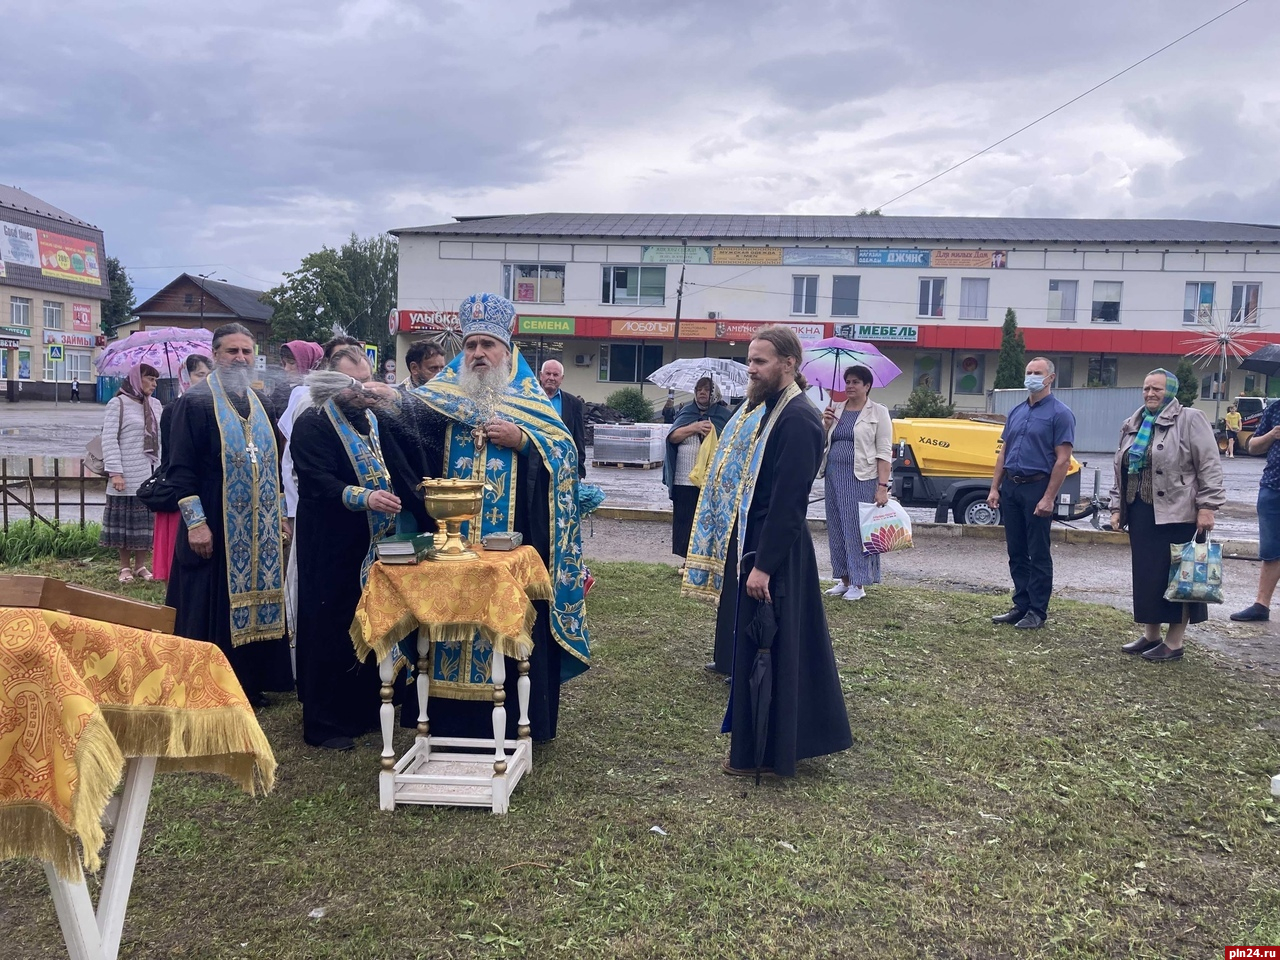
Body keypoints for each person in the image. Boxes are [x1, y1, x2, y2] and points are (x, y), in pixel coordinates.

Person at [404, 293, 590, 742]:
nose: (479, 353)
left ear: (508, 351)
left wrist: (524, 441)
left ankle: (515, 727)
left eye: (488, 344)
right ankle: (448, 723)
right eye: (470, 345)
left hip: (513, 549)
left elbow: (565, 457)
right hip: (453, 549)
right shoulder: (439, 402)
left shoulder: (530, 401)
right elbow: (407, 446)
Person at [684, 325, 851, 778]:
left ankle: (769, 754)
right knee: (766, 650)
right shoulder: (773, 409)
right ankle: (763, 747)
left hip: (776, 556)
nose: (750, 370)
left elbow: (789, 504)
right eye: (749, 360)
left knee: (774, 651)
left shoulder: (797, 418)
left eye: (760, 362)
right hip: (761, 550)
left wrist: (763, 567)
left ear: (789, 364)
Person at [291, 348, 435, 750]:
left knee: (374, 622)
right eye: (352, 385)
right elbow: (316, 479)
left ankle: (367, 709)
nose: (361, 392)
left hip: (375, 543)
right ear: (331, 383)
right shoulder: (313, 422)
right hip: (332, 543)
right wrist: (363, 498)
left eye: (365, 381)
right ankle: (326, 722)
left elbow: (400, 460)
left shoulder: (370, 417)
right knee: (332, 625)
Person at [164, 322, 293, 706]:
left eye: (246, 352)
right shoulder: (196, 402)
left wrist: (282, 513)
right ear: (215, 355)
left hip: (261, 525)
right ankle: (211, 684)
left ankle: (251, 682)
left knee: (260, 598)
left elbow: (274, 465)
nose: (240, 358)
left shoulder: (262, 402)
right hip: (217, 523)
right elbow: (180, 470)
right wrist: (196, 524)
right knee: (213, 602)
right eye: (231, 351)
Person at [1109, 369, 1224, 662]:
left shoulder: (1190, 419)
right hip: (1141, 511)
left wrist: (1208, 506)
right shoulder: (1133, 423)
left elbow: (1209, 464)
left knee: (1178, 578)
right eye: (1146, 388)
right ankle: (1151, 635)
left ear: (1171, 391)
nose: (1150, 393)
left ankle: (1174, 643)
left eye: (1157, 389)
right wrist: (1116, 507)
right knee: (1148, 576)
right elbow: (1119, 470)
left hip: (1178, 512)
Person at [986, 357, 1076, 630]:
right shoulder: (1016, 411)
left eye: (1038, 373)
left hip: (1038, 486)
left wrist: (1048, 497)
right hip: (1012, 486)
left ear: (1050, 378)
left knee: (1038, 552)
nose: (1032, 377)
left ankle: (1037, 610)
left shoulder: (1060, 414)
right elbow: (1004, 451)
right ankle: (1021, 604)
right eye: (1029, 372)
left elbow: (1063, 460)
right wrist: (994, 487)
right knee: (1016, 550)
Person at [819, 364, 893, 601]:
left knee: (856, 530)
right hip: (833, 477)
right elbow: (823, 443)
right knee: (837, 527)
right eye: (847, 382)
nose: (849, 386)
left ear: (867, 386)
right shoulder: (836, 409)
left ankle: (859, 582)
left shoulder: (878, 412)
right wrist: (825, 425)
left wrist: (883, 486)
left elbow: (883, 451)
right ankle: (844, 579)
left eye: (855, 382)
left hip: (861, 478)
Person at [100, 362, 164, 583]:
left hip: (150, 473)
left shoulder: (155, 405)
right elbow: (109, 439)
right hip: (126, 473)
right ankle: (124, 567)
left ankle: (141, 566)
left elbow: (162, 437)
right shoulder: (118, 404)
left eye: (156, 380)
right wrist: (115, 472)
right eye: (150, 379)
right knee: (126, 523)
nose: (154, 384)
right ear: (137, 379)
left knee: (145, 524)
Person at [152, 354, 212, 582]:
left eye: (208, 375)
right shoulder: (174, 409)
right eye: (199, 375)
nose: (204, 380)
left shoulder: (211, 407)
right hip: (179, 482)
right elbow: (174, 451)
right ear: (186, 377)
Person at [663, 376, 731, 560]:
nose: (702, 392)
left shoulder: (724, 415)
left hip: (711, 478)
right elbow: (673, 437)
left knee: (708, 519)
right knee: (685, 518)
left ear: (714, 393)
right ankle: (687, 560)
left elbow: (731, 441)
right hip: (684, 477)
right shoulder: (686, 412)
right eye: (698, 389)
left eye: (707, 389)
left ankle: (707, 558)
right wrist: (695, 427)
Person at [1230, 400, 1280, 623]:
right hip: (1273, 487)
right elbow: (1252, 447)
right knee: (1271, 551)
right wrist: (1272, 434)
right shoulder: (1275, 408)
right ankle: (1261, 605)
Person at [539, 359, 588, 478]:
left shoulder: (574, 403)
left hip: (563, 466)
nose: (551, 378)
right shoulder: (528, 399)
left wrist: (579, 469)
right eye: (548, 373)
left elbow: (578, 437)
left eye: (555, 375)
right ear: (541, 375)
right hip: (534, 463)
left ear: (562, 379)